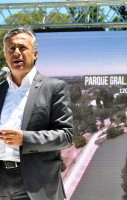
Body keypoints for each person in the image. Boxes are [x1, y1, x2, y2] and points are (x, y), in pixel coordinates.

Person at [0, 27, 73, 200]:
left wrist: (25, 139)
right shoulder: (0, 90)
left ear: (35, 54)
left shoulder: (54, 87)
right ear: (5, 56)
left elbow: (66, 135)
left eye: (22, 48)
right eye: (11, 49)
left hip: (36, 184)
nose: (16, 52)